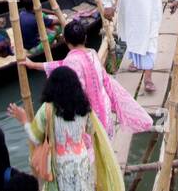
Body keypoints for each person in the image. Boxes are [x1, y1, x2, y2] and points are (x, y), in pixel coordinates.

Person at [5, 66, 125, 191]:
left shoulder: (48, 109)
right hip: (81, 161)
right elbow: (91, 131)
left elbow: (35, 138)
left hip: (59, 164)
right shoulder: (84, 107)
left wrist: (24, 120)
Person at [21, 17, 152, 137]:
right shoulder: (92, 53)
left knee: (93, 152)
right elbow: (63, 65)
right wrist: (34, 65)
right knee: (105, 146)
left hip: (90, 116)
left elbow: (62, 68)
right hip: (104, 110)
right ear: (85, 38)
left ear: (65, 40)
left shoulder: (71, 61)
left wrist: (32, 65)